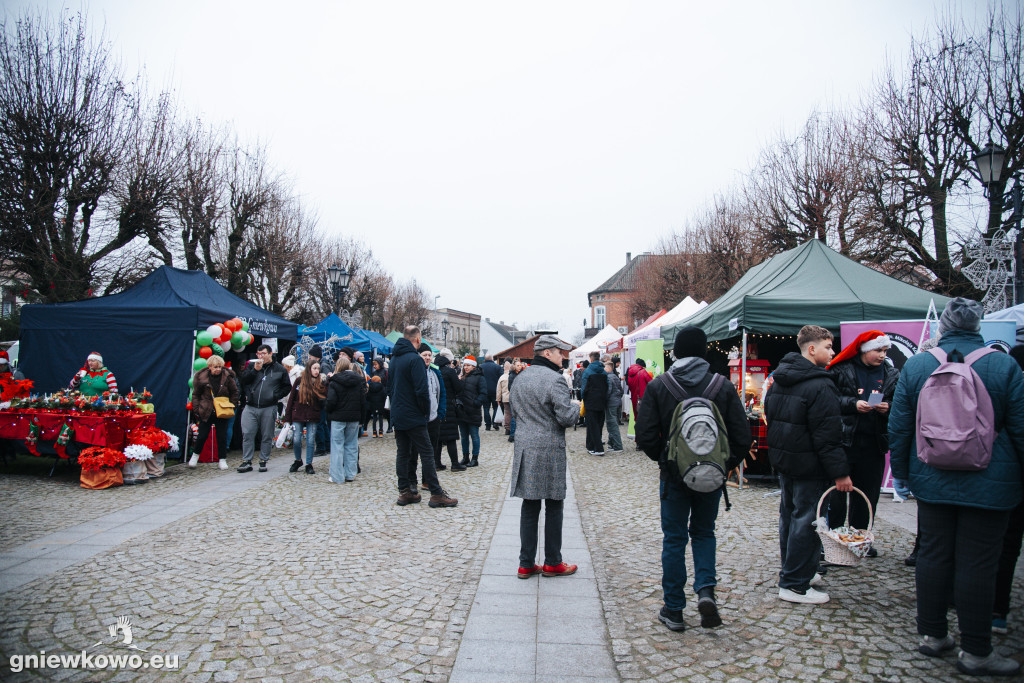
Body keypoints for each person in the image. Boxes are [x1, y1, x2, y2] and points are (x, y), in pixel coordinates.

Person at [889, 298, 1024, 676]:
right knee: (979, 563)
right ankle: (977, 651)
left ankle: (933, 635)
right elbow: (1021, 428)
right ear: (978, 326)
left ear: (943, 327)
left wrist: (902, 473)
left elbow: (899, 427)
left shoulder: (917, 366)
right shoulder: (1003, 365)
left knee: (933, 555)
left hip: (931, 476)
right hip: (992, 480)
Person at [635, 326, 751, 631]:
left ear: (676, 352)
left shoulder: (661, 385)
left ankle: (673, 609)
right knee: (704, 534)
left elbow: (645, 435)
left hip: (674, 477)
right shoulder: (721, 386)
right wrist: (723, 466)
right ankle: (705, 593)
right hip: (711, 477)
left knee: (674, 539)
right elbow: (742, 435)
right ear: (703, 352)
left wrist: (668, 461)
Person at [764, 325, 851, 605]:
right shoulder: (820, 384)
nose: (833, 352)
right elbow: (829, 435)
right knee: (807, 521)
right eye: (828, 347)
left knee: (791, 518)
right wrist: (840, 473)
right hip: (809, 466)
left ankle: (797, 572)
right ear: (811, 349)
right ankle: (795, 583)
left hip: (787, 462)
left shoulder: (778, 380)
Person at [509, 335, 580, 579]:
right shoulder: (555, 380)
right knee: (554, 504)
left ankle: (526, 563)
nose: (564, 357)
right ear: (547, 353)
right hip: (549, 448)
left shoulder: (520, 378)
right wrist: (577, 406)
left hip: (525, 446)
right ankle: (552, 561)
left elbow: (515, 413)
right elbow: (566, 418)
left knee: (529, 505)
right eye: (561, 352)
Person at [826, 330, 899, 553]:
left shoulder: (891, 373)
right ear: (865, 350)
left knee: (867, 496)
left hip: (874, 444)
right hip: (844, 442)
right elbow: (829, 399)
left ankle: (860, 541)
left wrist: (888, 407)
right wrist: (853, 404)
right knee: (836, 496)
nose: (882, 355)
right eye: (878, 350)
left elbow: (900, 402)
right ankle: (833, 540)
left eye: (885, 351)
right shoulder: (842, 369)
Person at [388, 326, 457, 507]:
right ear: (418, 339)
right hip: (414, 415)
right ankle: (436, 493)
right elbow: (422, 390)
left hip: (399, 414)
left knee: (402, 453)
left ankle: (405, 491)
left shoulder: (394, 359)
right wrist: (425, 412)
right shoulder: (414, 360)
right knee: (427, 452)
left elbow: (391, 388)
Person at [992, 345, 1024, 636]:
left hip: (1000, 473)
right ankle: (996, 610)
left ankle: (995, 609)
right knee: (1005, 545)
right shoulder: (1011, 385)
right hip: (1007, 476)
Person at [237, 344, 292, 473]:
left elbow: (287, 386)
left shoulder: (279, 369)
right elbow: (244, 380)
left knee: (267, 435)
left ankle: (263, 460)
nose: (260, 356)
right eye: (258, 354)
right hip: (251, 405)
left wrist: (275, 396)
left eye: (263, 353)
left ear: (270, 354)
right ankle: (247, 460)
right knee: (248, 433)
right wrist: (255, 370)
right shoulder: (252, 366)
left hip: (269, 406)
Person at [188, 355, 239, 470]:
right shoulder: (202, 378)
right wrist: (197, 409)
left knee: (221, 436)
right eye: (215, 367)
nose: (218, 369)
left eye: (220, 367)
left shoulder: (227, 377)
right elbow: (196, 394)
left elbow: (235, 392)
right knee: (202, 436)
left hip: (222, 410)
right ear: (210, 367)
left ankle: (222, 459)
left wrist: (231, 404)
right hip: (206, 410)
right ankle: (195, 456)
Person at [325, 355, 365, 483]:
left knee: (337, 446)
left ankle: (337, 476)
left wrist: (328, 411)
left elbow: (331, 401)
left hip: (338, 417)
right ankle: (350, 474)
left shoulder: (334, 381)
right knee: (351, 445)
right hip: (353, 417)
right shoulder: (358, 381)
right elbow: (362, 401)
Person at [284, 361, 327, 475]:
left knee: (310, 440)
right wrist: (288, 417)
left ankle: (309, 463)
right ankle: (298, 460)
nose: (316, 371)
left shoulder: (320, 382)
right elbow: (292, 399)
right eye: (314, 368)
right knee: (297, 439)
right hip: (298, 413)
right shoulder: (299, 381)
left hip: (312, 415)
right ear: (309, 369)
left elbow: (324, 399)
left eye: (318, 368)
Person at [414, 344, 446, 481]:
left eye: (429, 355)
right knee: (414, 452)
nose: (427, 358)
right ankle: (412, 481)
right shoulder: (414, 372)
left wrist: (440, 413)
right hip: (418, 419)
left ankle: (427, 480)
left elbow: (442, 393)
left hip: (434, 418)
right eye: (424, 355)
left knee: (431, 451)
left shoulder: (435, 372)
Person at [435, 351, 465, 471]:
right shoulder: (450, 371)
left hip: (436, 407)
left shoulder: (434, 371)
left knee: (438, 437)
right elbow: (458, 388)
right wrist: (460, 380)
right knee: (451, 437)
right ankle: (454, 463)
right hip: (449, 407)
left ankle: (437, 463)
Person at [457, 355, 486, 467]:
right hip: (462, 411)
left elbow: (483, 393)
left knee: (474, 436)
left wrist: (476, 403)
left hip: (473, 411)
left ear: (473, 366)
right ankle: (465, 457)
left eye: (468, 365)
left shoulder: (480, 377)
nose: (466, 367)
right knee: (464, 436)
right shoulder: (462, 377)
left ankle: (475, 458)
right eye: (465, 365)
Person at [581, 351, 608, 455]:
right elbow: (607, 386)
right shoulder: (603, 371)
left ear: (591, 359)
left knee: (593, 425)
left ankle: (598, 448)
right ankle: (591, 446)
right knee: (599, 424)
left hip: (591, 401)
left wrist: (584, 399)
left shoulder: (587, 371)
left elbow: (584, 388)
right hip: (602, 400)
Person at [308, 345, 331, 455]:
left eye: (310, 356)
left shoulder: (323, 366)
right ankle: (326, 446)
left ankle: (322, 447)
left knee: (320, 424)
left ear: (316, 357)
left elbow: (326, 383)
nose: (309, 358)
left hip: (322, 399)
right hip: (323, 399)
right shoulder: (323, 364)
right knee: (323, 424)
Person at [604, 361, 624, 453]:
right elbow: (621, 390)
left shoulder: (608, 377)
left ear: (608, 368)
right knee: (613, 422)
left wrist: (604, 400)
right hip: (617, 402)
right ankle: (612, 444)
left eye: (605, 367)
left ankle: (617, 445)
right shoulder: (615, 377)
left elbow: (608, 391)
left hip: (611, 403)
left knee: (612, 424)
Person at [480, 354, 502, 430]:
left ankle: (488, 425)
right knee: (496, 407)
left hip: (484, 390)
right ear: (492, 359)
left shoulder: (481, 367)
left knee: (486, 408)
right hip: (495, 390)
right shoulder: (497, 367)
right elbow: (501, 378)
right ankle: (494, 423)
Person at [496, 360, 512, 435]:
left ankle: (507, 428)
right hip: (512, 397)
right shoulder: (513, 375)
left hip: (505, 398)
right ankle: (513, 427)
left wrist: (498, 399)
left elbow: (498, 390)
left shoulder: (502, 377)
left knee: (507, 413)